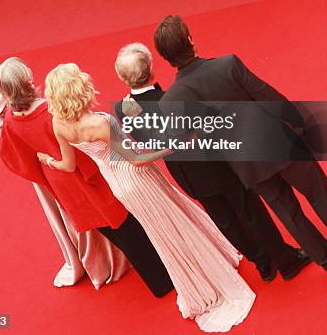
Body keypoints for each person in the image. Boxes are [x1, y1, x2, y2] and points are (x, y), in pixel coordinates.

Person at [40, 62, 256, 333]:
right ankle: (206, 277)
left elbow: (68, 165)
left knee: (161, 232)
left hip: (118, 184)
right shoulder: (100, 122)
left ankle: (193, 279)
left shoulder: (59, 124)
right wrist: (173, 146)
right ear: (79, 88)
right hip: (137, 179)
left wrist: (49, 161)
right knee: (174, 221)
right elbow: (138, 159)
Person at [154, 14, 327, 281]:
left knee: (289, 213)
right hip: (279, 143)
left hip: (245, 163)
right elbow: (269, 96)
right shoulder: (227, 65)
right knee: (321, 195)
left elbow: (187, 141)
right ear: (190, 40)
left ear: (165, 57)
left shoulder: (171, 100)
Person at [114, 42, 311, 283]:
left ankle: (263, 264)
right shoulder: (171, 100)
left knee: (225, 221)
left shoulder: (124, 108)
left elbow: (151, 138)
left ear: (124, 79)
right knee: (250, 211)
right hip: (213, 165)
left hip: (186, 176)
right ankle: (286, 261)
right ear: (151, 70)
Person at [0, 41, 131, 290]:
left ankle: (99, 252)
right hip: (32, 139)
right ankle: (101, 252)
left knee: (66, 196)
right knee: (72, 191)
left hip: (22, 138)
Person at [0, 56, 174, 297]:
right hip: (89, 176)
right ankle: (163, 280)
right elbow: (84, 139)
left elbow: (15, 158)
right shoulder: (53, 113)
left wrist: (46, 167)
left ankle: (158, 276)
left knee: (112, 230)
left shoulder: (11, 123)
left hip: (61, 182)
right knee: (128, 228)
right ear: (27, 79)